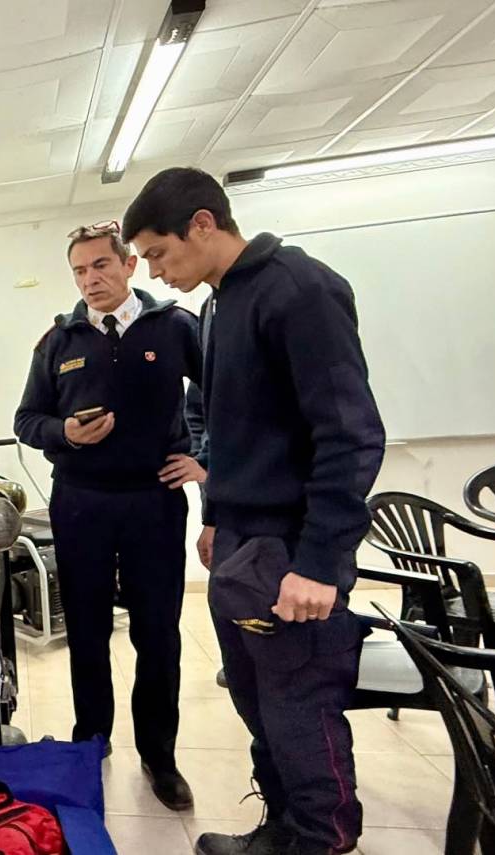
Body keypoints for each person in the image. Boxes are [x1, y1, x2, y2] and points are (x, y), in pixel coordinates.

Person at [121, 168, 385, 855]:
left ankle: (320, 840)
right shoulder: (218, 303)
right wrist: (214, 511)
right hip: (239, 540)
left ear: (202, 224)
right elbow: (221, 419)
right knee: (258, 700)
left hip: (291, 548)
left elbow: (350, 433)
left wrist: (320, 563)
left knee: (299, 705)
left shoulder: (299, 290)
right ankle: (281, 829)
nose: (153, 269)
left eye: (158, 252)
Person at [13, 220, 204, 811]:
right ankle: (90, 743)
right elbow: (26, 420)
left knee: (157, 634)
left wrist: (203, 459)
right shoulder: (59, 341)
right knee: (88, 632)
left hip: (153, 502)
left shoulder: (174, 327)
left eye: (100, 265)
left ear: (127, 265)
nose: (90, 279)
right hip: (82, 502)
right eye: (79, 270)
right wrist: (64, 433)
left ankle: (160, 756)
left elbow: (225, 396)